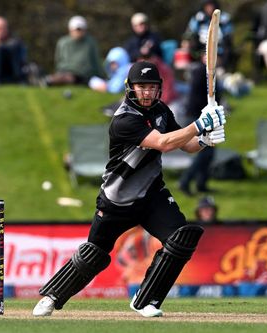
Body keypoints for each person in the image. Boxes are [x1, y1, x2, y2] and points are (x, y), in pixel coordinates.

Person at [32, 61, 226, 318]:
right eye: (142, 87)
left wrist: (204, 139)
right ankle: (52, 296)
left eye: (152, 87)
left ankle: (147, 300)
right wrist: (199, 125)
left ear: (159, 89)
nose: (147, 92)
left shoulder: (162, 111)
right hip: (117, 200)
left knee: (181, 237)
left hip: (151, 195)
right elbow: (163, 143)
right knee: (94, 255)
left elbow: (184, 143)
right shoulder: (124, 119)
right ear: (130, 88)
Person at [178, 54, 222, 196]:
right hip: (197, 116)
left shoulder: (210, 72)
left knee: (209, 153)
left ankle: (201, 184)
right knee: (205, 152)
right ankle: (185, 181)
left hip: (206, 116)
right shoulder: (201, 72)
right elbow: (200, 97)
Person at [43, 15, 105, 86]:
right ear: (70, 30)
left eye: (80, 29)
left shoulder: (91, 43)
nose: (78, 32)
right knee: (67, 77)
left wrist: (101, 76)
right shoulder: (63, 42)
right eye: (76, 29)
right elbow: (58, 60)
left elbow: (96, 61)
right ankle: (49, 80)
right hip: (65, 72)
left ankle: (49, 80)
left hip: (86, 76)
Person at [184, 0, 236, 72]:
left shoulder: (224, 18)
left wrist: (220, 59)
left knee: (228, 48)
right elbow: (189, 35)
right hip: (201, 51)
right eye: (208, 6)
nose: (210, 8)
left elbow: (228, 40)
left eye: (211, 5)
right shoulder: (198, 18)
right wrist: (200, 55)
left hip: (219, 51)